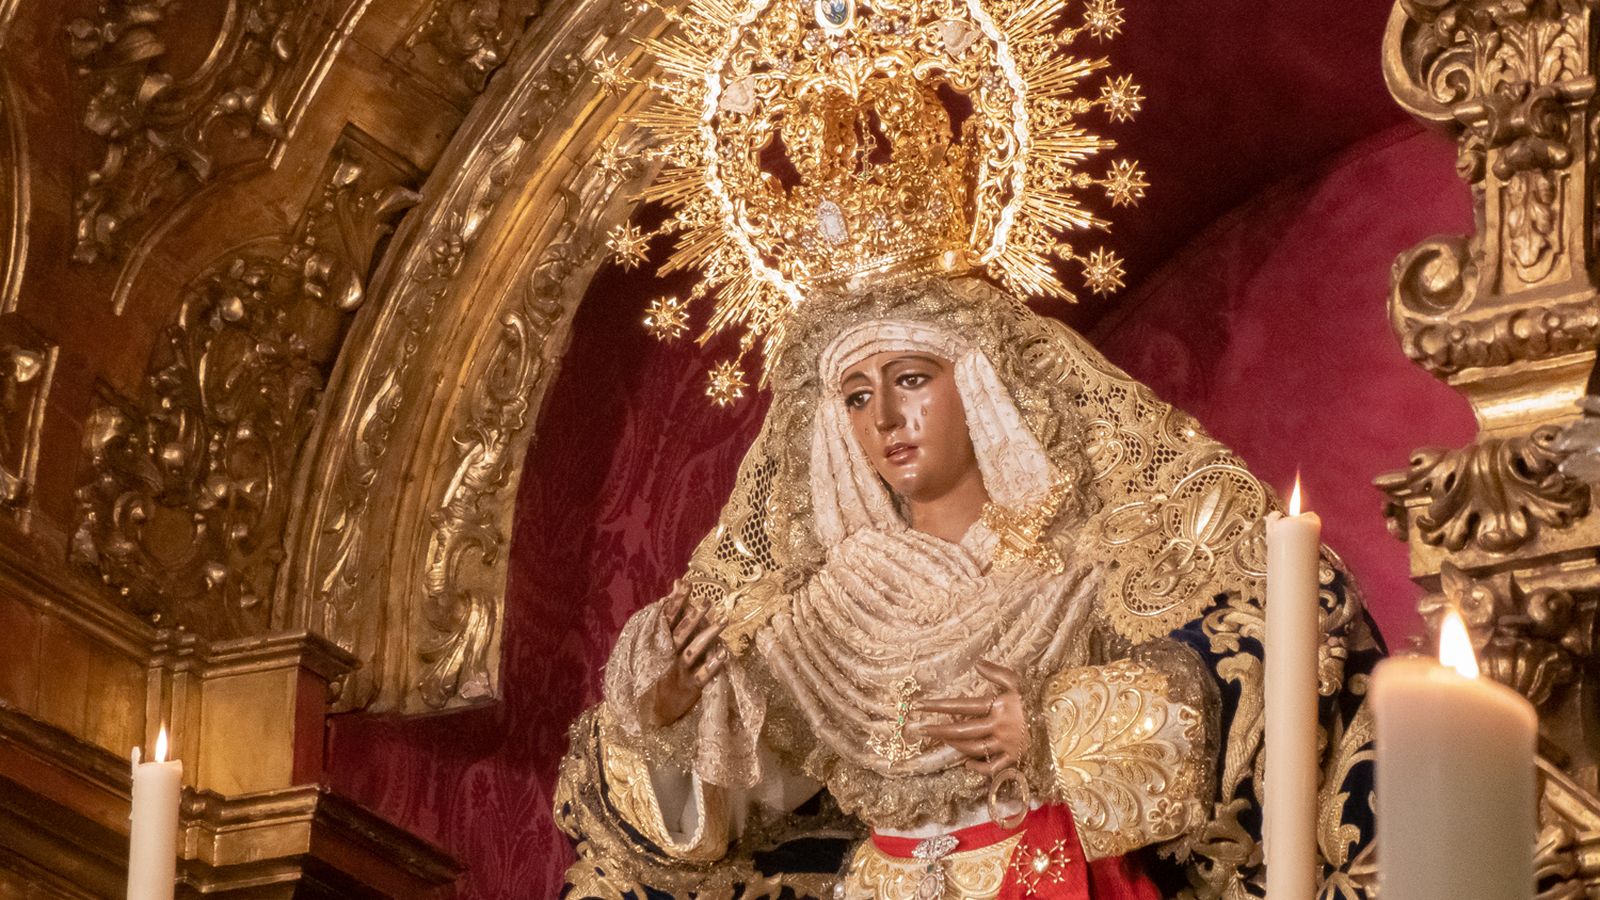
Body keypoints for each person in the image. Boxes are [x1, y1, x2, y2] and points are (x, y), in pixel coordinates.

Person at [555, 277, 1382, 899]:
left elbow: (1246, 680)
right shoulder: (819, 614)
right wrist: (668, 721)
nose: (884, 419)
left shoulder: (1091, 565)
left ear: (985, 386)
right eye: (855, 396)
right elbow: (725, 810)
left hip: (1051, 879)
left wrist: (1056, 732)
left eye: (911, 378)